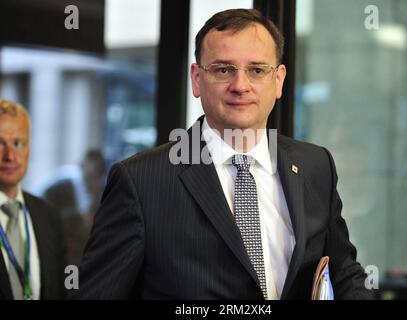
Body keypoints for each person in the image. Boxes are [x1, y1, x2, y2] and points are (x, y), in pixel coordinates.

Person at [73, 9, 373, 299]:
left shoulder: (316, 166)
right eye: (223, 69)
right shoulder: (140, 182)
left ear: (278, 80)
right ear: (196, 78)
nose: (240, 86)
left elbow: (344, 273)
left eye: (256, 70)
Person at [0, 99, 66, 300]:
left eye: (18, 143)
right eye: (0, 143)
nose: (10, 155)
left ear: (29, 148)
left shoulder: (49, 216)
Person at [41, 149, 106, 266]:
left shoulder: (98, 192)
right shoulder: (59, 185)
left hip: (79, 256)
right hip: (57, 250)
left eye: (97, 176)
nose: (94, 179)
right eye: (92, 175)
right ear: (82, 164)